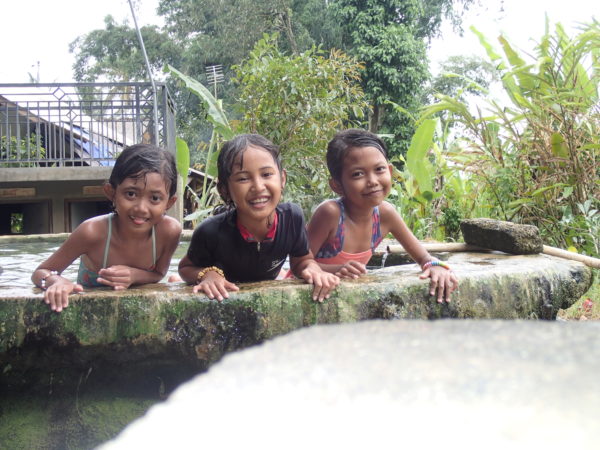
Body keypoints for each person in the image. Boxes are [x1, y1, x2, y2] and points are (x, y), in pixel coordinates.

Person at [178, 134, 339, 303]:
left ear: (282, 179)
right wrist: (207, 275)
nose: (258, 186)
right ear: (224, 189)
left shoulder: (292, 218)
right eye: (243, 178)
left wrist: (312, 269)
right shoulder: (211, 231)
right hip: (227, 297)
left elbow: (302, 261)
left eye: (267, 174)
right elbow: (185, 268)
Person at [307, 129, 458, 303]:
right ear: (337, 185)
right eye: (358, 174)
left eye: (379, 169)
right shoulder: (330, 214)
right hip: (313, 295)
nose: (372, 181)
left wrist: (436, 267)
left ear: (390, 171)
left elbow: (424, 258)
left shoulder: (386, 214)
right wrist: (336, 269)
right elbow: (299, 264)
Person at [32, 144, 182, 312]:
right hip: (92, 313)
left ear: (169, 203)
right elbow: (40, 272)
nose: (141, 208)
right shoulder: (92, 232)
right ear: (111, 192)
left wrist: (134, 275)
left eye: (155, 198)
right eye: (131, 194)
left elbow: (158, 274)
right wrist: (55, 281)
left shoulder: (169, 232)